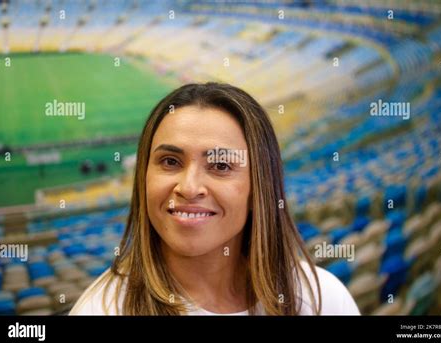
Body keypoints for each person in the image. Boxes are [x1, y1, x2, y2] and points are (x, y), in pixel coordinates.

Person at [70, 82, 360, 315]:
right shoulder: (101, 309)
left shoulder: (323, 300)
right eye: (170, 161)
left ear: (259, 187)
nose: (189, 187)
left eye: (221, 165)